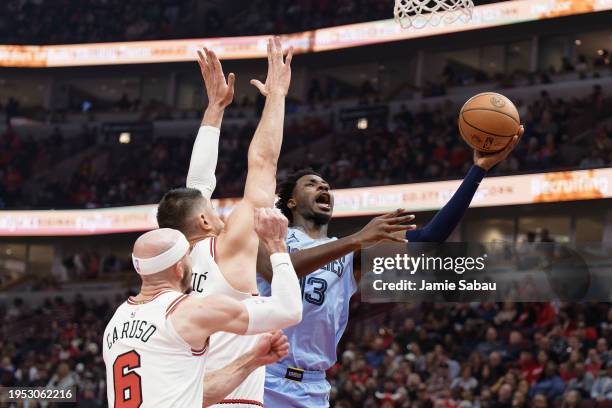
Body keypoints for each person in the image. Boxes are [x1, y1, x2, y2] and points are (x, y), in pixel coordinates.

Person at [255, 127, 523, 407]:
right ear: (291, 201)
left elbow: (429, 238)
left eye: (326, 186)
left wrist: (478, 170)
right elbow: (279, 270)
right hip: (263, 376)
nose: (323, 188)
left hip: (313, 386)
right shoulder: (271, 235)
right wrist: (357, 238)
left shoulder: (351, 253)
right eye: (311, 184)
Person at [156, 37, 294, 407]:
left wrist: (215, 108)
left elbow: (196, 186)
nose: (215, 209)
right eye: (210, 209)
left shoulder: (169, 265)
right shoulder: (227, 249)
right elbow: (263, 165)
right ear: (202, 219)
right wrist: (277, 96)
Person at [102, 209, 302, 408]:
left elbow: (199, 394)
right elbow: (289, 309)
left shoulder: (116, 321)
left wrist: (252, 360)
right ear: (179, 268)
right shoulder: (187, 311)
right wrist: (276, 245)